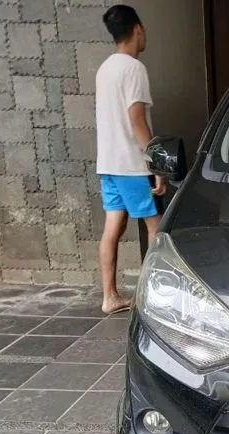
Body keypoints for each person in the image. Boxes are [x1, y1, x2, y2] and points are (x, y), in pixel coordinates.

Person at [95, 4, 164, 314]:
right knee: (156, 227)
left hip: (108, 163)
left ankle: (109, 297)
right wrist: (156, 163)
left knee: (113, 226)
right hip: (131, 165)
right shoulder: (134, 69)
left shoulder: (105, 68)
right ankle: (152, 298)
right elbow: (137, 121)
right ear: (138, 29)